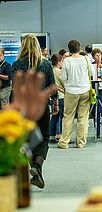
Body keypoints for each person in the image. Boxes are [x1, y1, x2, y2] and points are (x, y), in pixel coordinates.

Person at [12, 34, 58, 189]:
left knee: (26, 139)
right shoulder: (45, 64)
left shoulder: (17, 64)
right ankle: (37, 167)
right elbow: (52, 85)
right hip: (42, 106)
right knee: (44, 138)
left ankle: (32, 172)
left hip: (23, 108)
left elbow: (14, 89)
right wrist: (56, 103)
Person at [58, 40, 95, 149]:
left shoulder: (67, 61)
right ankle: (81, 143)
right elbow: (92, 74)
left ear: (69, 49)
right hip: (85, 90)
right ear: (79, 48)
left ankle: (64, 142)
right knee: (83, 118)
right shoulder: (86, 59)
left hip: (71, 92)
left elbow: (63, 78)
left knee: (68, 117)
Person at [49, 54, 65, 143]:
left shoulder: (50, 71)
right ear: (59, 62)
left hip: (52, 97)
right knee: (63, 117)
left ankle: (52, 136)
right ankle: (62, 136)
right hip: (61, 96)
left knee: (54, 117)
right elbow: (64, 84)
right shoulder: (59, 72)